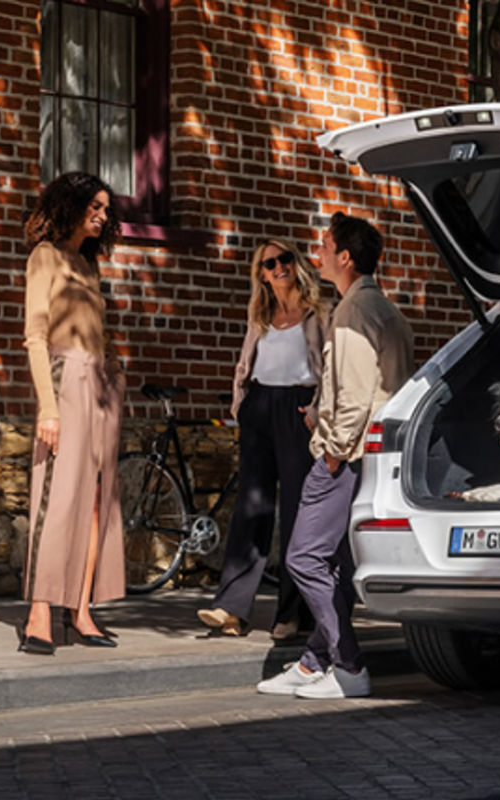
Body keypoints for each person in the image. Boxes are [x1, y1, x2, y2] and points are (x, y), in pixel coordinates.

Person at [257, 212, 414, 699]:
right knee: (337, 563)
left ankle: (347, 665)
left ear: (345, 257)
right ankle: (313, 662)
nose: (317, 252)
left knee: (303, 556)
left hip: (343, 457)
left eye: (325, 245)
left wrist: (330, 454)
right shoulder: (384, 308)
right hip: (370, 455)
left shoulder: (351, 314)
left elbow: (355, 398)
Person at [18, 172, 125, 655]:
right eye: (95, 207)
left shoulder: (89, 265)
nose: (102, 215)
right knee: (56, 497)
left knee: (97, 499)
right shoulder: (45, 257)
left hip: (100, 386)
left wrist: (113, 365)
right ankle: (41, 612)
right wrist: (48, 405)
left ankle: (80, 609)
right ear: (72, 205)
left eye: (107, 208)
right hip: (64, 382)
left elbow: (96, 329)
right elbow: (36, 335)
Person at [197, 239, 323, 640]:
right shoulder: (261, 314)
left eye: (285, 259)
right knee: (251, 508)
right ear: (262, 275)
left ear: (297, 264)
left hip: (300, 409)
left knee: (295, 511)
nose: (278, 267)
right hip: (260, 408)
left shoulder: (319, 312)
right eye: (269, 264)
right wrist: (241, 404)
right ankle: (231, 609)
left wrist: (319, 409)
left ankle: (294, 615)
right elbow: (244, 362)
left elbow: (331, 366)